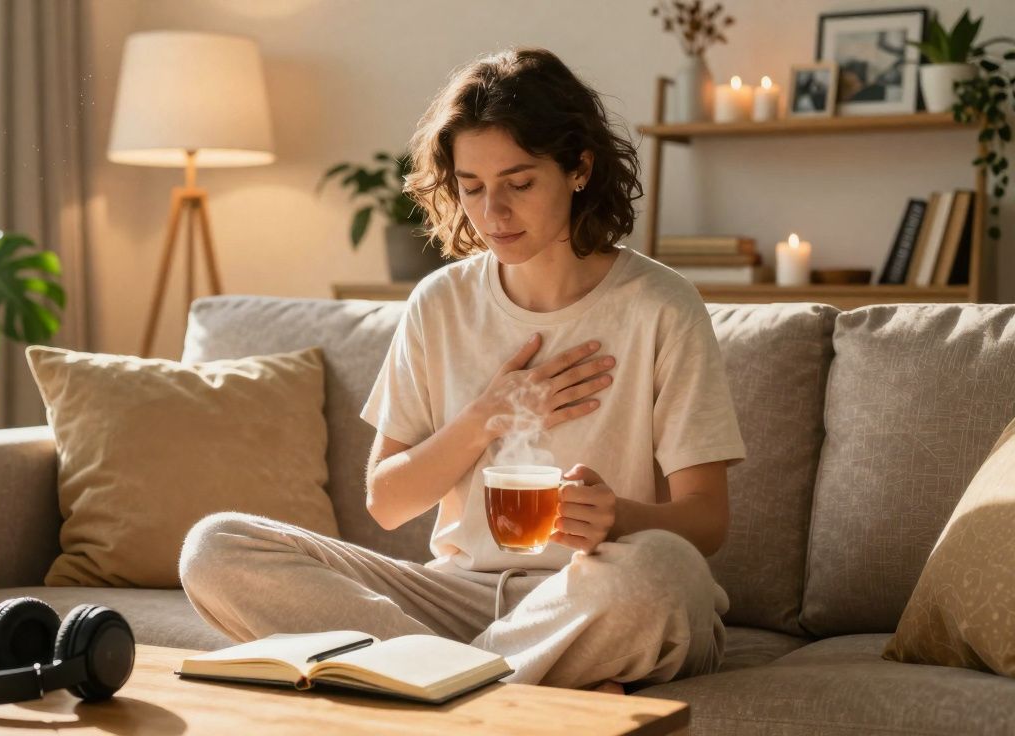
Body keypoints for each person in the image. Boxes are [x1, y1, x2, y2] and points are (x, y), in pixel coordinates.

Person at [180, 47, 746, 693]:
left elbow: (707, 521)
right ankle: (511, 683)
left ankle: (436, 680)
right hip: (458, 598)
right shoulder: (440, 302)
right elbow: (387, 501)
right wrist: (486, 416)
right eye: (472, 187)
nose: (492, 212)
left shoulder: (662, 306)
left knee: (662, 570)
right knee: (216, 547)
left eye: (519, 184)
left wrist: (618, 517)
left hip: (590, 595)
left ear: (580, 168)